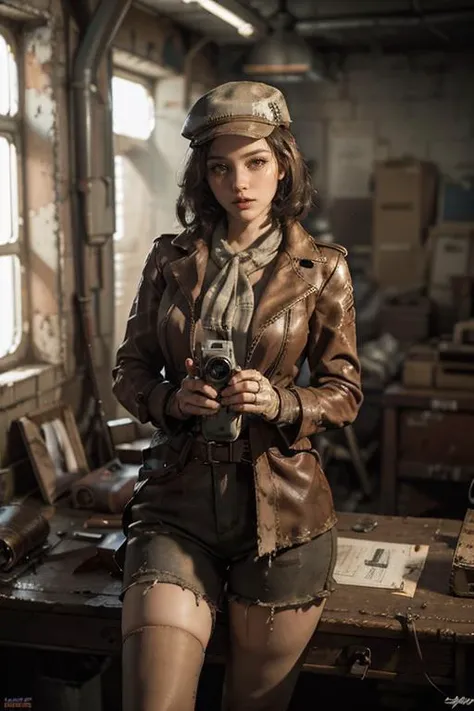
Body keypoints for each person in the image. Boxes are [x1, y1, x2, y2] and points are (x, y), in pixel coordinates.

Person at [112, 80, 362, 711]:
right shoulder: (168, 260)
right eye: (220, 167)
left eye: (255, 163)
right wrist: (172, 403)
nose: (239, 183)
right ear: (204, 175)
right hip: (176, 502)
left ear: (283, 165)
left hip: (283, 510)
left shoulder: (323, 269)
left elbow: (345, 391)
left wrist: (282, 403)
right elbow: (129, 369)